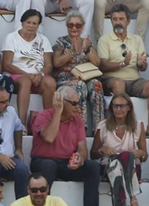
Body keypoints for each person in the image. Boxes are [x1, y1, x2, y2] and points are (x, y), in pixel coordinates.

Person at [28, 85, 99, 206]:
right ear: (61, 101)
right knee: (49, 166)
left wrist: (80, 159)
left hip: (66, 163)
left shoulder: (77, 119)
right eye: (73, 103)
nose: (77, 107)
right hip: (43, 161)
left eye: (78, 103)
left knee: (92, 167)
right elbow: (49, 137)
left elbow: (82, 148)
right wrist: (58, 112)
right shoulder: (44, 115)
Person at [97, 6, 149, 136]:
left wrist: (142, 64)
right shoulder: (104, 40)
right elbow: (103, 65)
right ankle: (124, 125)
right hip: (112, 79)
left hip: (134, 80)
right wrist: (122, 64)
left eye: (121, 19)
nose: (117, 22)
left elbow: (143, 67)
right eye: (114, 19)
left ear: (128, 21)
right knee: (118, 83)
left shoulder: (137, 40)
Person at [93, 93, 145, 206]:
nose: (118, 109)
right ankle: (133, 199)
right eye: (115, 106)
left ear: (129, 108)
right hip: (108, 167)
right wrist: (102, 150)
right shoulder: (103, 126)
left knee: (125, 157)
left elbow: (145, 155)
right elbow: (93, 153)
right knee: (117, 164)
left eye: (122, 106)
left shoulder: (138, 125)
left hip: (132, 168)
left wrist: (140, 153)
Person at [47, 6, 100, 136]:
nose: (74, 28)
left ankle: (98, 128)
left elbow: (97, 63)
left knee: (96, 84)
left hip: (85, 77)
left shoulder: (87, 43)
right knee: (79, 85)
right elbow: (56, 63)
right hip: (65, 79)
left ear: (82, 26)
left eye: (78, 25)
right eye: (71, 25)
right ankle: (81, 127)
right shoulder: (61, 41)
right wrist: (70, 53)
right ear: (67, 26)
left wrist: (86, 50)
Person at [1, 8, 52, 126]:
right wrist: (28, 75)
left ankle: (48, 122)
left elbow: (49, 65)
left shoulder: (43, 40)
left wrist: (41, 74)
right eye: (28, 22)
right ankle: (21, 123)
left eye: (34, 23)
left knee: (50, 82)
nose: (31, 26)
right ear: (22, 22)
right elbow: (7, 64)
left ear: (38, 25)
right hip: (17, 76)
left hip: (37, 77)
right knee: (25, 82)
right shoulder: (11, 38)